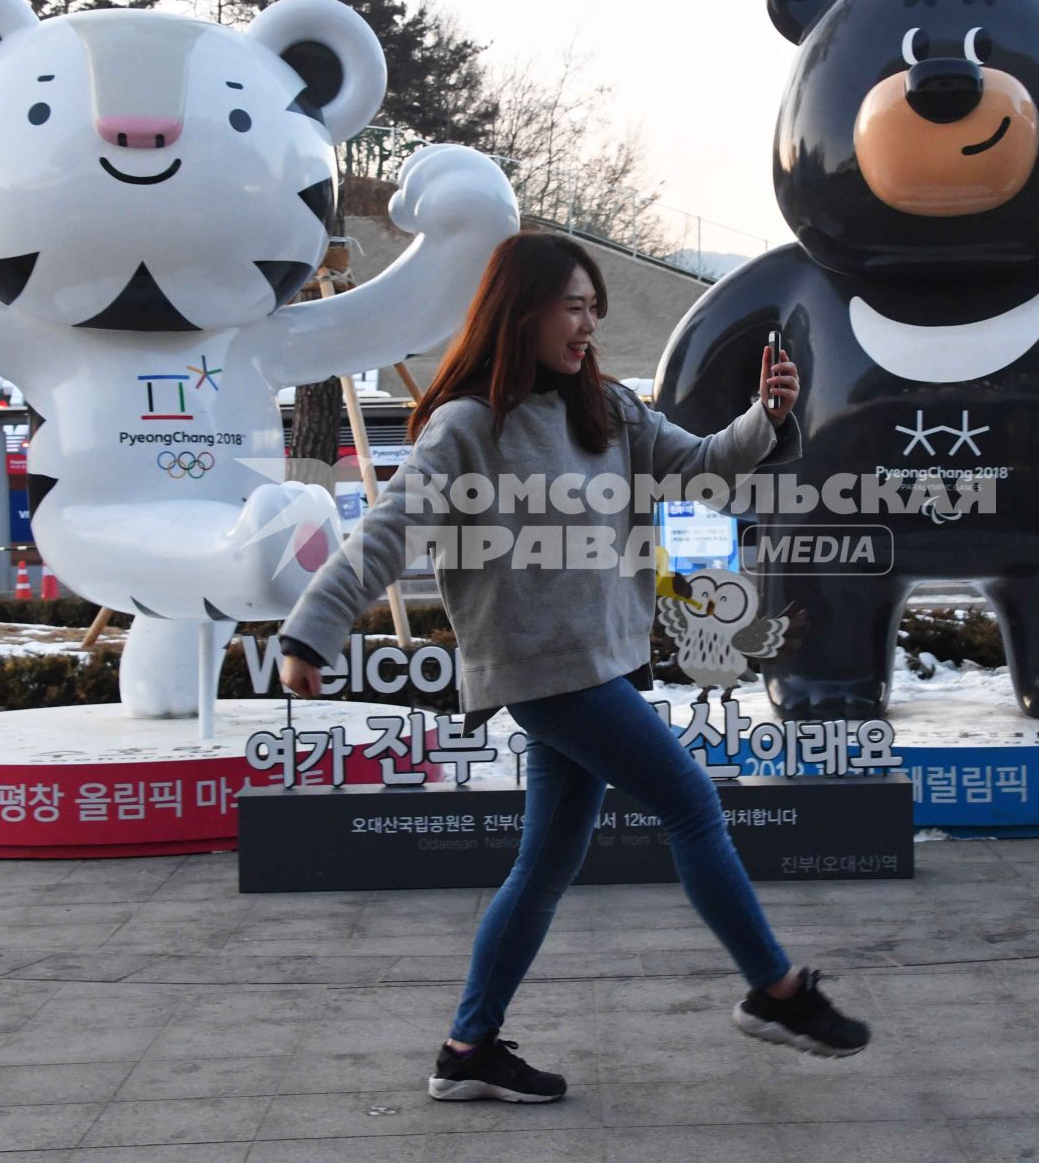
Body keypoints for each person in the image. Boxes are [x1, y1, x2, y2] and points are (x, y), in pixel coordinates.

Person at [277, 231, 870, 1104]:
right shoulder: (470, 424)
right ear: (522, 311)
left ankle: (469, 1048)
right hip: (542, 669)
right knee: (693, 805)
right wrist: (311, 630)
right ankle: (778, 993)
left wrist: (765, 420)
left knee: (546, 866)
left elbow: (700, 465)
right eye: (574, 306)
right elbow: (388, 531)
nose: (588, 324)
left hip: (607, 660)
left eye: (596, 307)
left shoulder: (609, 411)